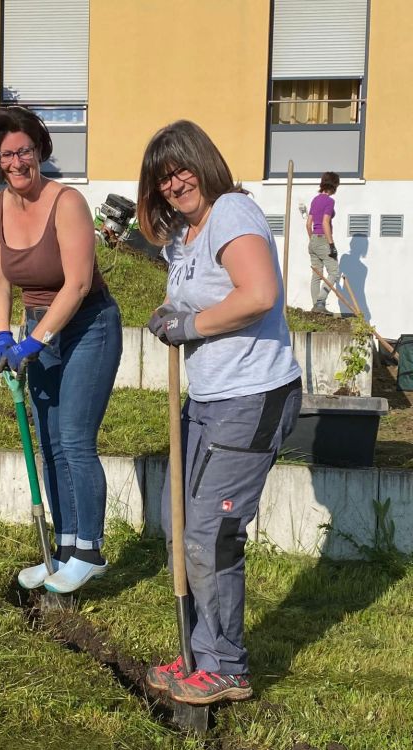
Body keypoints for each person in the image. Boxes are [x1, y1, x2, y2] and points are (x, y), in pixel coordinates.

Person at [137, 120, 302, 706]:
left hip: (252, 396)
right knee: (180, 525)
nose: (174, 183)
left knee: (211, 534)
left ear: (203, 161)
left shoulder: (232, 211)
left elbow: (259, 294)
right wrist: (168, 314)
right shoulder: (185, 235)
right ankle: (197, 654)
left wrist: (191, 326)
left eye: (180, 169)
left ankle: (226, 666)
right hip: (207, 398)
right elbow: (187, 299)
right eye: (162, 178)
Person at [0, 106, 122, 594]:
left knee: (75, 438)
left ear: (39, 150)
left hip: (88, 325)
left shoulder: (67, 202)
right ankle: (63, 548)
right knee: (51, 442)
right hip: (37, 326)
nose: (17, 162)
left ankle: (90, 552)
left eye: (24, 151)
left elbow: (77, 283)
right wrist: (3, 336)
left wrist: (34, 343)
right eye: (6, 155)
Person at [307, 171, 340, 314]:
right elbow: (325, 222)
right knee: (334, 272)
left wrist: (313, 240)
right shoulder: (329, 201)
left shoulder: (315, 200)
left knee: (317, 274)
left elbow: (308, 224)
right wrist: (331, 245)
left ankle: (316, 307)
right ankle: (320, 303)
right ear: (334, 185)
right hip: (323, 240)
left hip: (313, 240)